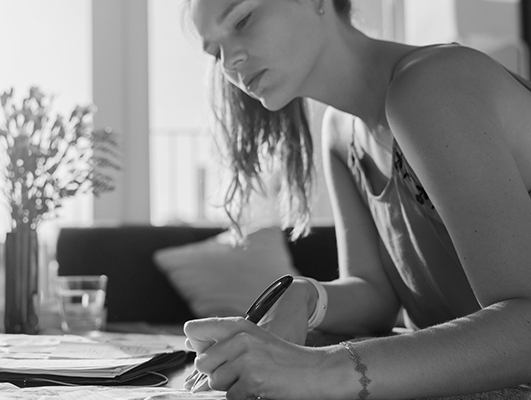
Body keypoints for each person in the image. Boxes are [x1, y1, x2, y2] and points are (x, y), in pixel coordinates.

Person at [182, 0, 531, 399]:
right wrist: (306, 296)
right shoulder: (339, 132)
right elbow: (376, 292)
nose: (229, 62)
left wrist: (317, 370)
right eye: (215, 53)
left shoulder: (434, 83)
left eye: (243, 20)